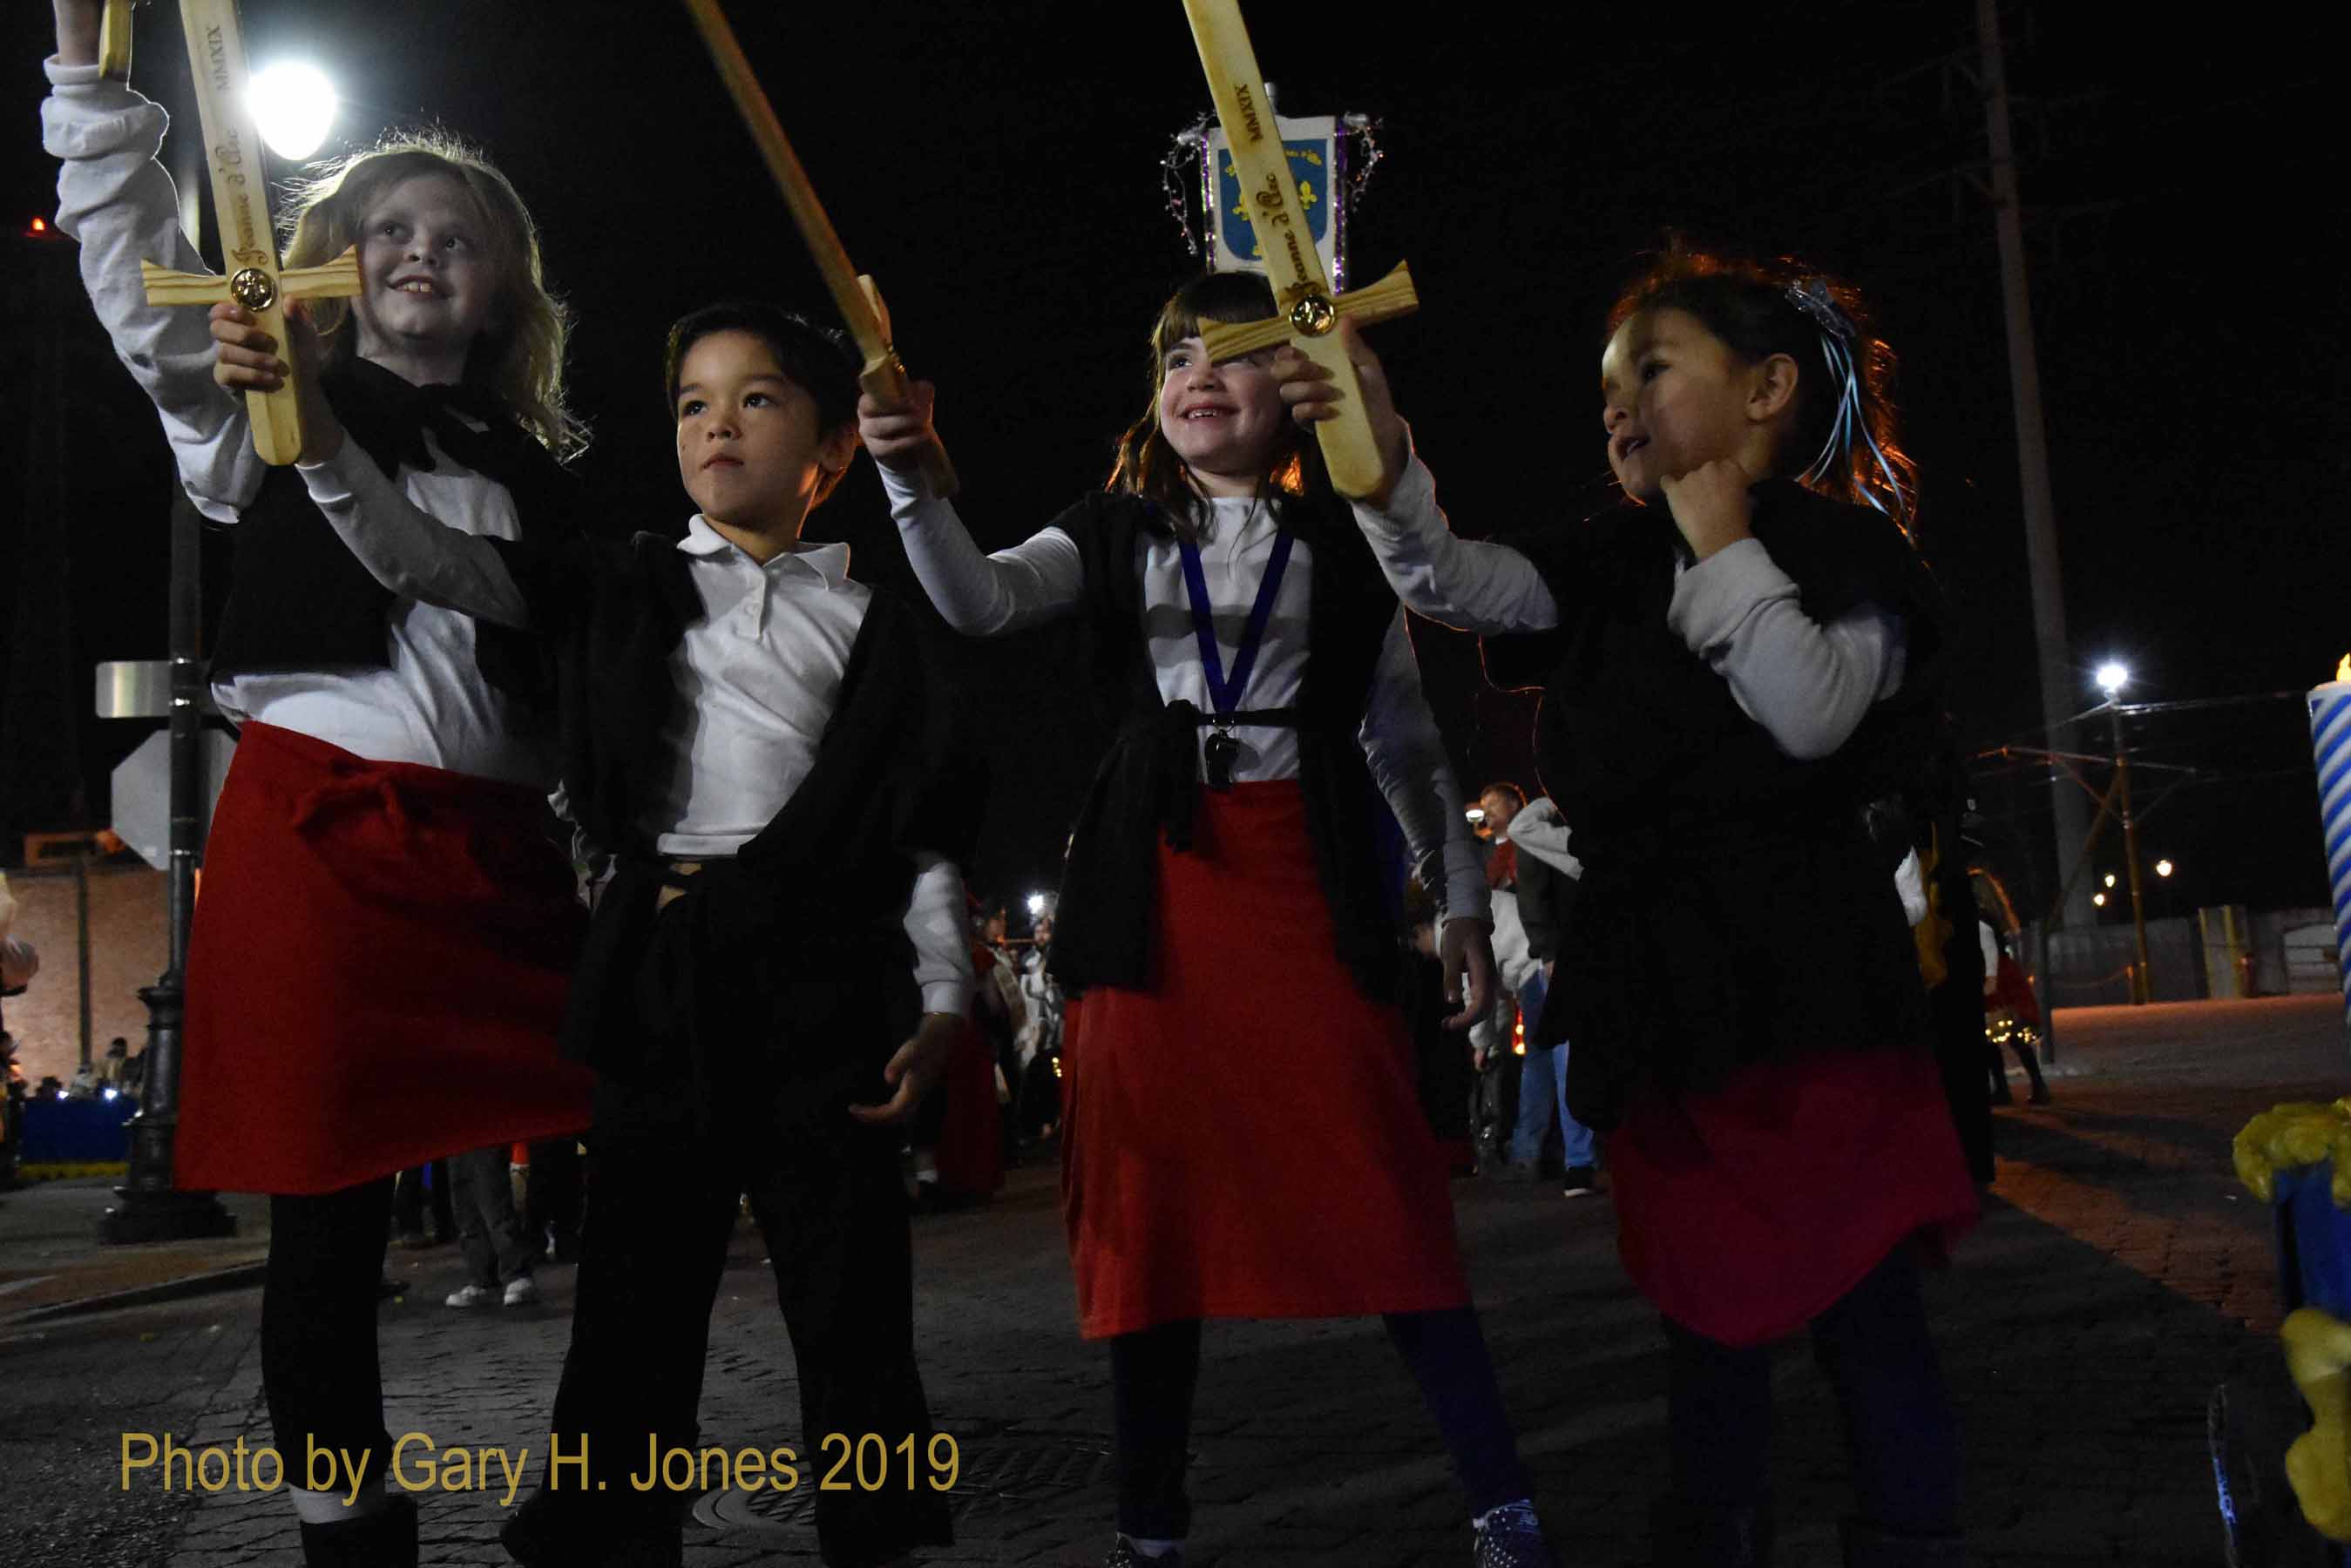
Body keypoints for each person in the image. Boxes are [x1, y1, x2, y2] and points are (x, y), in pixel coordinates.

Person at [1290, 249, 1978, 1566]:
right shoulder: (1602, 557)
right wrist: (1366, 437)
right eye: (1606, 386)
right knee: (1704, 1325)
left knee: (1865, 1317)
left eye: (1651, 370)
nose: (1616, 405)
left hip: (1815, 991)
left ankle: (1907, 1534)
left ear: (1767, 388)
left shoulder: (1844, 550)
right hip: (1663, 996)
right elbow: (1444, 580)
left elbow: (1809, 707)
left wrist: (1720, 543)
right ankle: (1712, 1537)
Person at [862, 269, 1554, 1568]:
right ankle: (1148, 1523)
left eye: (1232, 355)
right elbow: (977, 600)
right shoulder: (1112, 526)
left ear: (1293, 396)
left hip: (1306, 884)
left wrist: (1457, 895)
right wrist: (911, 478)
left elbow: (1400, 738)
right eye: (1176, 352)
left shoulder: (1351, 541)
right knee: (1148, 1216)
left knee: (1383, 1188)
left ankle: (1502, 1505)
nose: (1197, 375)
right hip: (1150, 894)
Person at [279, 298, 973, 1568]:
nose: (718, 423)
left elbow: (915, 830)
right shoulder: (615, 580)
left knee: (854, 1292)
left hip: (823, 983)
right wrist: (319, 436)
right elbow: (424, 558)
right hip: (660, 967)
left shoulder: (874, 625)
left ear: (828, 451)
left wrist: (941, 1004)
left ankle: (884, 1534)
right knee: (635, 1291)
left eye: (758, 398)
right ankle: (608, 1532)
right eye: (693, 402)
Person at [44, 8, 595, 1562]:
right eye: (386, 231)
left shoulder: (540, 474)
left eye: (456, 238)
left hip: (501, 867)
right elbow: (145, 299)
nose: (421, 253)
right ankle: (346, 1522)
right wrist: (93, 97)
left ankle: (600, 1469)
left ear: (503, 294)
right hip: (323, 846)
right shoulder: (267, 421)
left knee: (644, 1142)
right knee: (326, 1211)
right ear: (328, 268)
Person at [443, 1141, 537, 1308]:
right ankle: (483, 1280)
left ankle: (516, 1275)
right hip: (456, 1129)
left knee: (493, 1200)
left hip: (480, 1127)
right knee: (467, 1209)